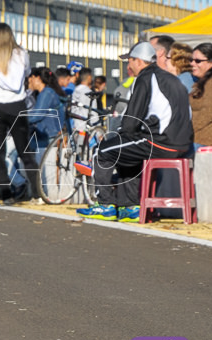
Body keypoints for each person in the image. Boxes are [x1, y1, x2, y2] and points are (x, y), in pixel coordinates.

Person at [77, 42, 193, 222]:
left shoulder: (146, 78)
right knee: (125, 151)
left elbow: (132, 118)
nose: (128, 66)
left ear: (139, 61)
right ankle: (129, 207)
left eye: (129, 61)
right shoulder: (170, 78)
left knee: (102, 151)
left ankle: (105, 205)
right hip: (182, 143)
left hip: (161, 141)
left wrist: (121, 133)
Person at [0, 23, 40, 203]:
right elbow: (27, 73)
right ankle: (37, 194)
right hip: (17, 106)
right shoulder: (22, 55)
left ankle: (6, 194)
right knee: (25, 152)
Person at [27, 67, 66, 164]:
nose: (29, 81)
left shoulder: (47, 93)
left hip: (47, 135)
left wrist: (17, 119)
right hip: (47, 134)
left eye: (30, 78)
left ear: (37, 78)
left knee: (43, 169)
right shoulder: (47, 92)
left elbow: (37, 115)